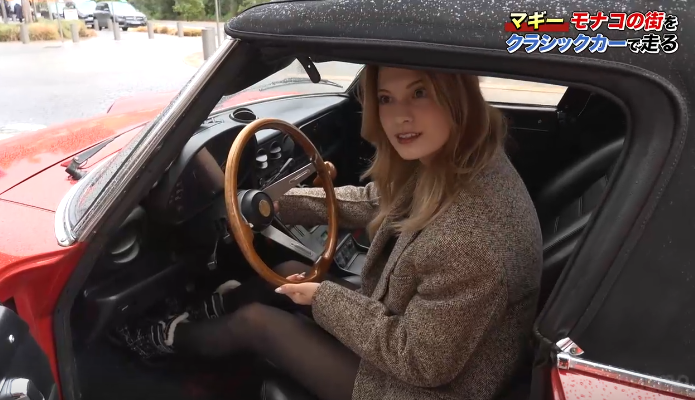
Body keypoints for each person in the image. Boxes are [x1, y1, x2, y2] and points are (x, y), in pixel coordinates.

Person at [116, 66, 543, 400]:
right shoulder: (462, 160)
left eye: (420, 93)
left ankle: (164, 338)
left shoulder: (469, 240)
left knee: (256, 322)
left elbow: (419, 360)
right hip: (437, 344)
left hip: (428, 388)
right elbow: (377, 200)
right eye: (386, 98)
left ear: (457, 96)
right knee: (288, 266)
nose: (400, 116)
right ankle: (210, 311)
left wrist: (322, 299)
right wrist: (275, 202)